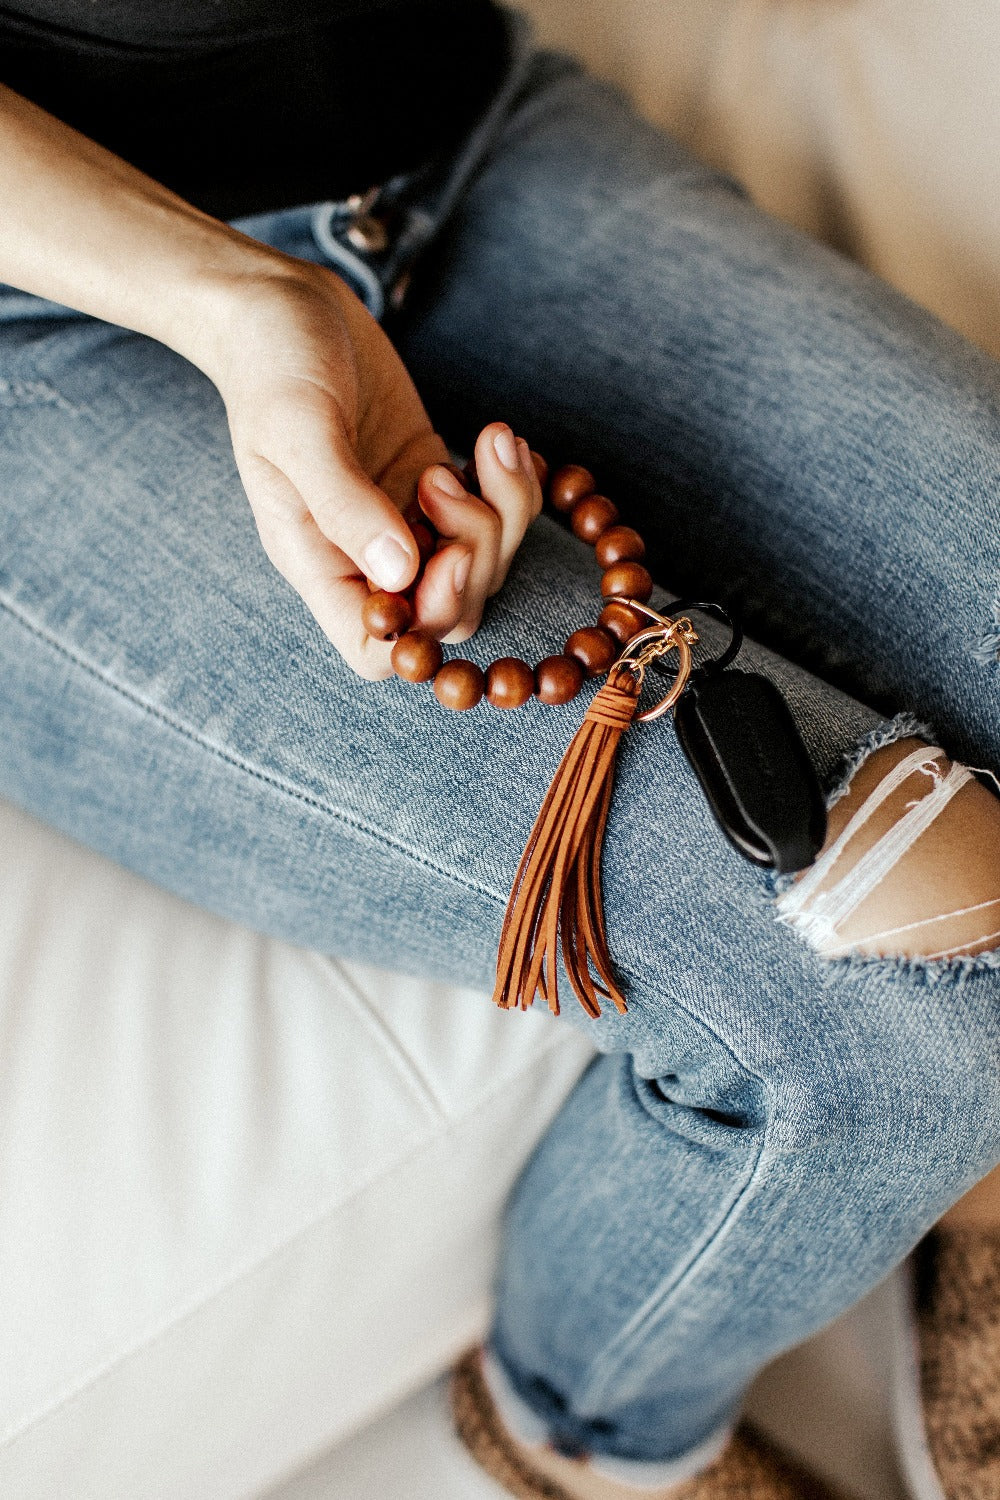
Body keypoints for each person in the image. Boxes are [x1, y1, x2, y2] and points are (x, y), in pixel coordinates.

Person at [2, 3, 1000, 1496]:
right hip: (46, 319)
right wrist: (232, 300)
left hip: (447, 136)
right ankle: (591, 1429)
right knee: (885, 971)